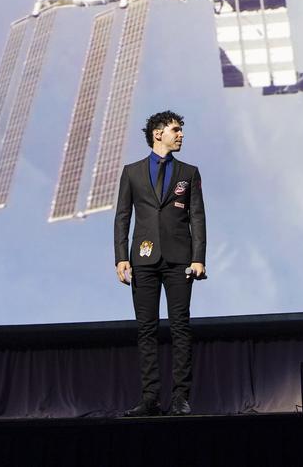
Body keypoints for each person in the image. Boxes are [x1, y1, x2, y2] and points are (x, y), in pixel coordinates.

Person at [114, 111, 207, 416]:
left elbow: (197, 216)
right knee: (146, 329)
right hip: (143, 258)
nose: (181, 135)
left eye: (181, 130)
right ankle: (150, 397)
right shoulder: (132, 172)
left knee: (180, 328)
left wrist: (198, 258)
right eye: (175, 130)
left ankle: (180, 396)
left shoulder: (189, 172)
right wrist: (121, 257)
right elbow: (123, 217)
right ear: (158, 133)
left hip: (180, 259)